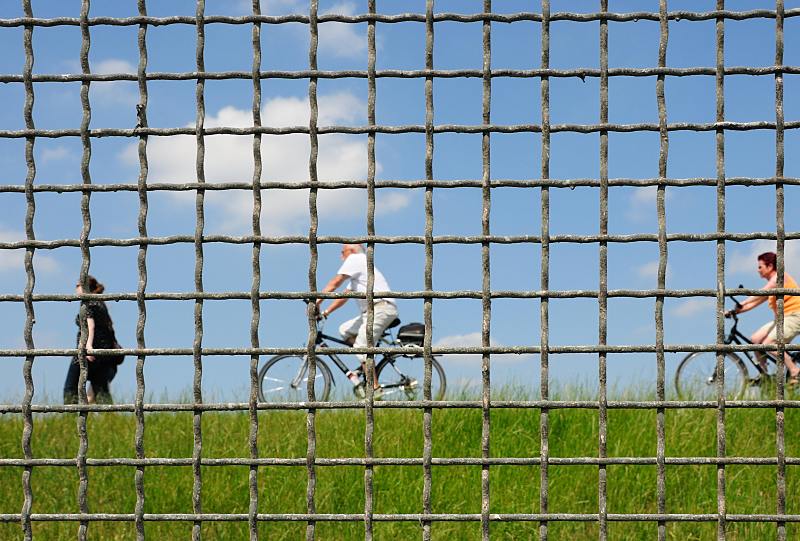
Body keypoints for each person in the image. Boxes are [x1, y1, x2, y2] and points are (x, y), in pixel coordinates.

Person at [316, 244, 398, 391]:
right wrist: (325, 312)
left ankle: (374, 388)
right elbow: (344, 296)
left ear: (352, 251)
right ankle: (365, 361)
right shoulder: (360, 272)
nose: (341, 256)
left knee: (361, 346)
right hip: (373, 311)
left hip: (380, 308)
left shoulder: (356, 258)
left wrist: (316, 302)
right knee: (344, 330)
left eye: (343, 252)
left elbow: (335, 283)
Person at [726, 251, 800, 385]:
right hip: (783, 319)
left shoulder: (778, 278)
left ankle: (794, 371)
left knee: (768, 343)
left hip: (795, 316)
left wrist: (742, 303)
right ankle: (765, 375)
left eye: (760, 267)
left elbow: (758, 295)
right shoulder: (772, 286)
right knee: (755, 340)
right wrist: (734, 312)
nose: (758, 270)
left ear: (770, 266)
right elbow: (756, 302)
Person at [64, 275, 121, 404]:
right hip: (103, 355)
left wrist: (88, 347)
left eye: (78, 285)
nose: (76, 288)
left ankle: (70, 418)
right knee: (101, 391)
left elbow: (90, 326)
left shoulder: (87, 302)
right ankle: (109, 419)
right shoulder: (101, 304)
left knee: (70, 387)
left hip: (87, 352)